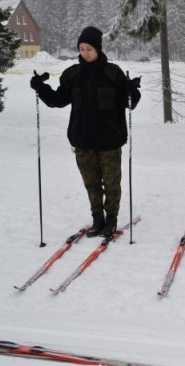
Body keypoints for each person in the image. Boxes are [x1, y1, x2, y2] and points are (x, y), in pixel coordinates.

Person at [30, 26, 141, 238]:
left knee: (111, 183)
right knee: (91, 183)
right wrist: (40, 88)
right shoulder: (72, 75)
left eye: (89, 48)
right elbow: (58, 100)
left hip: (109, 140)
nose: (85, 52)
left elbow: (130, 103)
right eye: (81, 48)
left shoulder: (113, 73)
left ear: (98, 49)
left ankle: (111, 220)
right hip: (82, 139)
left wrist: (132, 90)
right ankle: (97, 220)